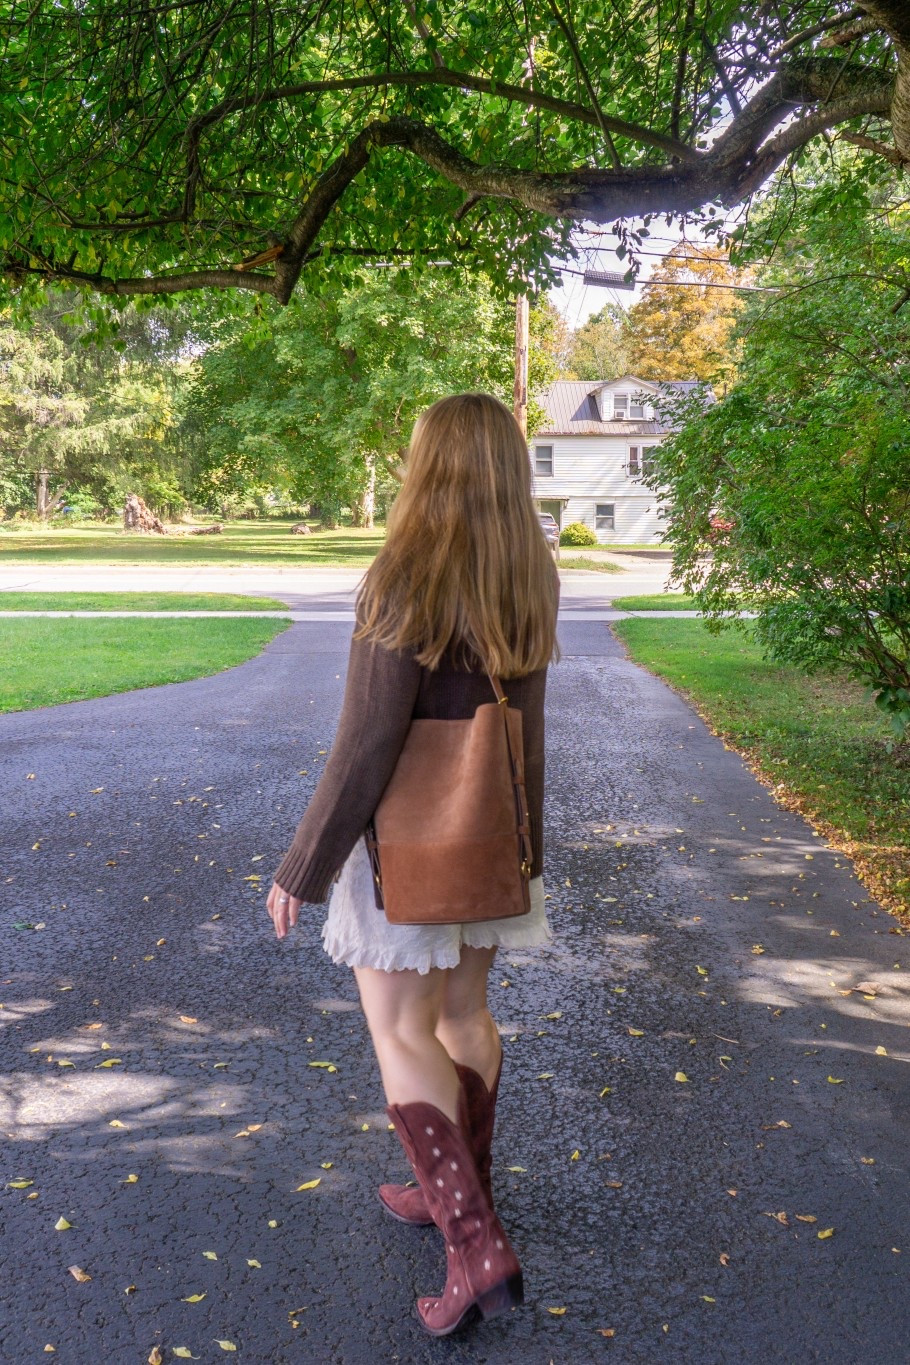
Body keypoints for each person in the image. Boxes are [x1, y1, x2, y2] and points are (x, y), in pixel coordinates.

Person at [266, 392, 558, 1336]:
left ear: (426, 468)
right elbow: (533, 733)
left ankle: (474, 1244)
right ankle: (453, 1195)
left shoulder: (404, 575)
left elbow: (366, 746)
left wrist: (302, 866)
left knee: (400, 1033)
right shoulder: (529, 574)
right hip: (490, 841)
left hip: (408, 847)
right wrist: (525, 852)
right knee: (466, 1015)